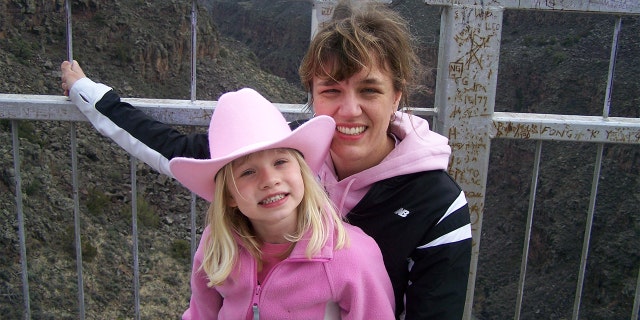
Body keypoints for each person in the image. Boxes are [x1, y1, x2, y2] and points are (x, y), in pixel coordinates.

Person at [61, 1, 472, 318]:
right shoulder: (278, 153)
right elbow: (169, 146)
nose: (349, 110)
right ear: (312, 94)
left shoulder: (436, 202)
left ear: (397, 95)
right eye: (331, 91)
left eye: (369, 90)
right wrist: (89, 93)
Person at [173, 87, 395, 319]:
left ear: (302, 172)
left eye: (280, 162)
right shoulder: (217, 245)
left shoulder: (348, 255)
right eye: (248, 172)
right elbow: (201, 313)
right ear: (229, 196)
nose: (269, 181)